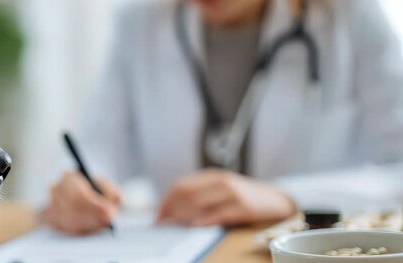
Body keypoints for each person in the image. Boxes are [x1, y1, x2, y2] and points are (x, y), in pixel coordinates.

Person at [45, 0, 403, 235]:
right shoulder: (140, 21)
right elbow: (98, 144)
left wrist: (286, 197)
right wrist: (79, 187)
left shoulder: (352, 17)